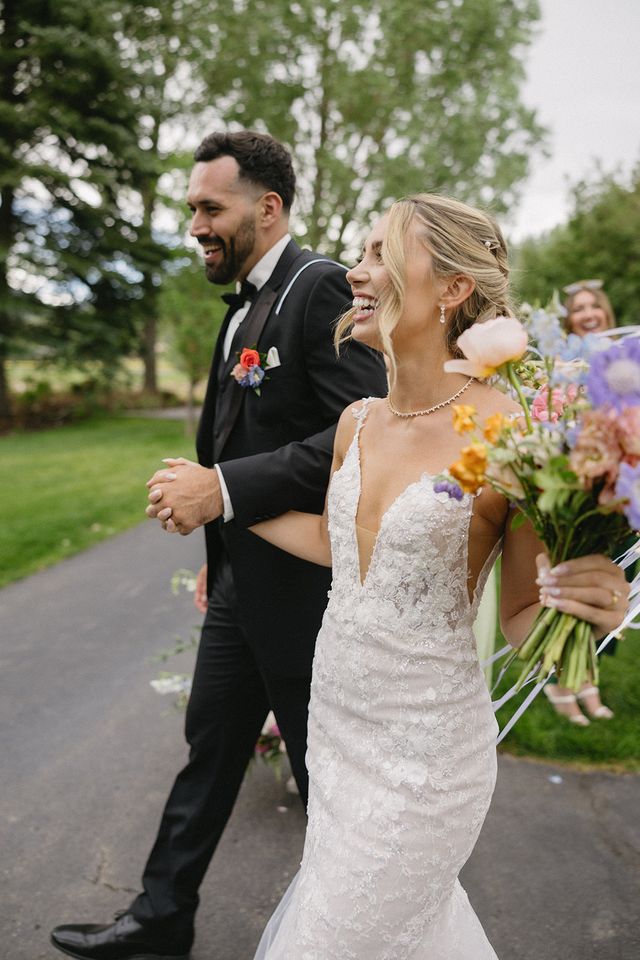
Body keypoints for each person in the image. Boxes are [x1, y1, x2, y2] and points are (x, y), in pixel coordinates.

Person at [244, 195, 629, 958]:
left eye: (382, 253)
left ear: (454, 287)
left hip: (427, 758)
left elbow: (522, 609)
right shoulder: (357, 420)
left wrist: (591, 610)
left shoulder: (512, 434)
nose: (357, 271)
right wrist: (224, 504)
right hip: (335, 726)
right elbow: (344, 548)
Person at [50, 131, 387, 960]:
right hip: (242, 589)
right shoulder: (242, 301)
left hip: (310, 599)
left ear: (266, 208)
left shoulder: (318, 290)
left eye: (210, 207)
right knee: (210, 747)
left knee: (325, 787)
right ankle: (160, 921)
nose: (196, 223)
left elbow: (361, 437)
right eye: (191, 207)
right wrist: (219, 558)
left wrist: (224, 493)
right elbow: (232, 435)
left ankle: (358, 939)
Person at [543, 278, 619, 725]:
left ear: (606, 314)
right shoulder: (560, 364)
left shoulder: (628, 357)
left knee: (608, 585)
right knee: (570, 579)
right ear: (568, 320)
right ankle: (559, 682)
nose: (588, 313)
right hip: (572, 485)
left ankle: (588, 677)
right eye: (579, 308)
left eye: (595, 306)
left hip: (616, 485)